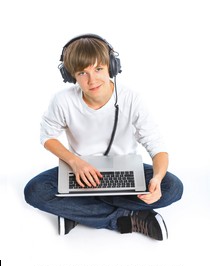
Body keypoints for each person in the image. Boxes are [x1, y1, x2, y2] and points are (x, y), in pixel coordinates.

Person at [24, 34, 183, 240]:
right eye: (82, 72)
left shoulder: (131, 98)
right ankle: (127, 217)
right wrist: (75, 162)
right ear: (71, 75)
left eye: (98, 69)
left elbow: (156, 145)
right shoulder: (62, 100)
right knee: (35, 191)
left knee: (172, 188)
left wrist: (157, 178)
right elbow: (47, 136)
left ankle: (77, 212)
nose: (92, 80)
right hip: (80, 171)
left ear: (112, 66)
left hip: (125, 169)